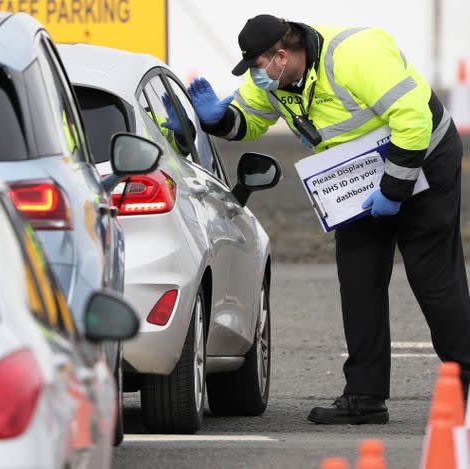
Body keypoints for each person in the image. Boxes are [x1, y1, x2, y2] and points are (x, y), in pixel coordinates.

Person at [189, 14, 469, 425]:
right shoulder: (273, 79)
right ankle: (365, 397)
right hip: (357, 176)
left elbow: (414, 121)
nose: (255, 76)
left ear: (282, 55)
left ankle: (464, 382)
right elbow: (249, 120)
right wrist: (219, 119)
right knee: (359, 279)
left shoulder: (357, 55)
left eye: (258, 66)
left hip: (423, 159)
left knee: (434, 279)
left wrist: (393, 191)